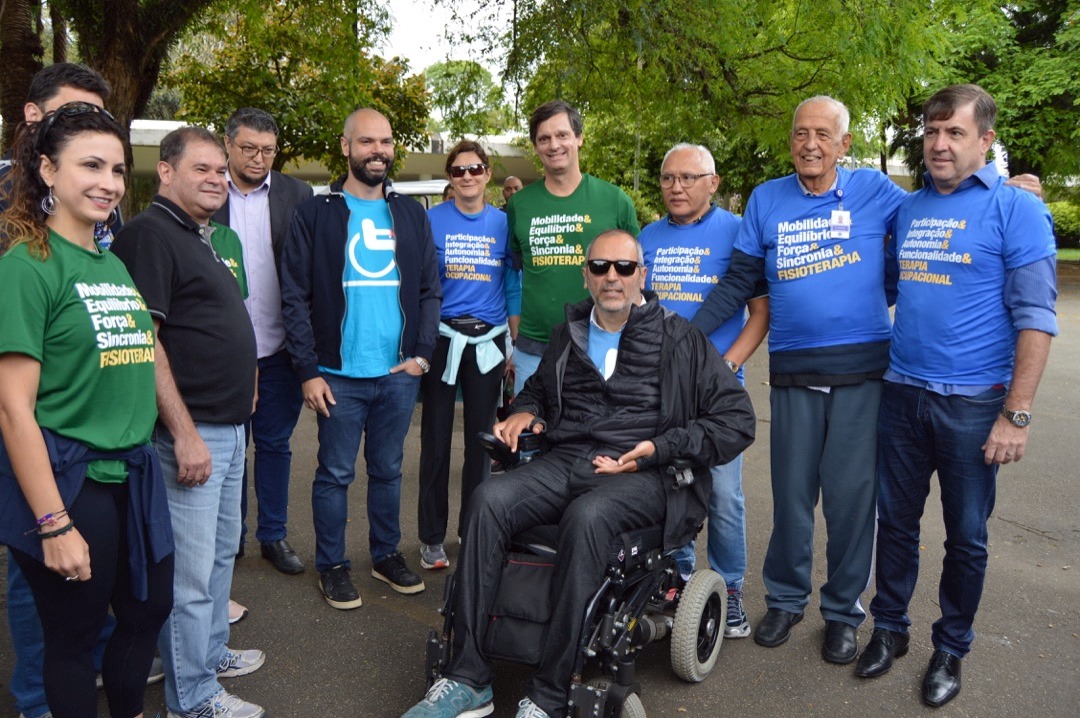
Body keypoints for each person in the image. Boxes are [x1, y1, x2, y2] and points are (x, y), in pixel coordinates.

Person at [401, 229, 756, 718]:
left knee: (588, 517)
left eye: (624, 268)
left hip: (645, 473)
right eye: (602, 267)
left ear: (641, 277)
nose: (613, 277)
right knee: (488, 499)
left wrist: (658, 447)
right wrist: (524, 411)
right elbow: (540, 395)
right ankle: (468, 677)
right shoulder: (570, 334)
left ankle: (549, 691)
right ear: (586, 275)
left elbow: (736, 421)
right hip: (568, 460)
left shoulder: (680, 338)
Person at [854, 84, 1057, 708]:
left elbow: (1037, 318)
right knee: (896, 525)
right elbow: (890, 282)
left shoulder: (1017, 210)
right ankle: (890, 629)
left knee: (967, 536)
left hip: (974, 406)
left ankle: (952, 646)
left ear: (986, 140)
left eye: (955, 133)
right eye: (932, 132)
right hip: (902, 393)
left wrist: (1014, 416)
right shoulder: (909, 209)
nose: (939, 145)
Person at [690, 95, 909, 664]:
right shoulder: (767, 199)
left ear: (845, 144)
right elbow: (740, 280)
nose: (809, 144)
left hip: (863, 371)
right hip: (792, 370)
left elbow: (910, 246)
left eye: (821, 134)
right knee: (790, 498)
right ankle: (785, 601)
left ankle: (842, 612)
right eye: (799, 133)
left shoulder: (878, 193)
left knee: (850, 500)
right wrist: (688, 335)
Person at [0, 61, 168, 718]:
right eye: (90, 166)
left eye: (118, 169)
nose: (108, 183)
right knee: (70, 644)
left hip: (135, 471)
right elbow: (13, 410)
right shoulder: (27, 263)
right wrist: (53, 524)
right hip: (73, 480)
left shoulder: (113, 261)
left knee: (147, 610)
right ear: (47, 170)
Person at [111, 127, 265, 718]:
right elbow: (145, 341)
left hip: (226, 429)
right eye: (202, 168)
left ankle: (210, 654)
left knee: (221, 555)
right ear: (165, 172)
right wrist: (183, 433)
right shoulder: (150, 234)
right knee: (192, 577)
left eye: (221, 172)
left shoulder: (198, 237)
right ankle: (193, 697)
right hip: (192, 434)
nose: (217, 179)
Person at [281, 107, 441, 609]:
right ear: (346, 146)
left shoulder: (411, 213)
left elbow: (429, 289)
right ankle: (332, 564)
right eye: (367, 142)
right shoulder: (315, 211)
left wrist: (421, 355)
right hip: (337, 375)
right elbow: (294, 295)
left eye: (387, 142)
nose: (379, 151)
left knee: (389, 470)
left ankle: (385, 554)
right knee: (334, 473)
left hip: (397, 374)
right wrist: (307, 370)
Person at [639, 143, 769, 639]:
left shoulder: (737, 232)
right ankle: (678, 582)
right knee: (671, 487)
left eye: (689, 178)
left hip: (716, 395)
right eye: (669, 178)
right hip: (658, 389)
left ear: (712, 183)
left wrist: (726, 364)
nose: (677, 187)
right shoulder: (647, 236)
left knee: (725, 497)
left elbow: (760, 313)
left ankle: (729, 592)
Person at [211, 107, 313, 575]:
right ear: (228, 144)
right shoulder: (208, 190)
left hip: (279, 348)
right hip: (222, 352)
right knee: (229, 449)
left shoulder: (297, 193)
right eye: (249, 148)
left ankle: (272, 536)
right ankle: (228, 537)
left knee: (274, 445)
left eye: (268, 150)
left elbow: (311, 272)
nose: (258, 158)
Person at [417, 140, 521, 571]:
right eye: (458, 171)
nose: (467, 177)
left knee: (483, 444)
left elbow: (512, 284)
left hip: (490, 341)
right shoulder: (430, 220)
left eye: (474, 169)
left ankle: (472, 530)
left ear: (487, 174)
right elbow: (422, 285)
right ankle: (430, 537)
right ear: (450, 177)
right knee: (436, 441)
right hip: (443, 339)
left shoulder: (503, 223)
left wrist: (512, 346)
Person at [507, 100, 639, 394]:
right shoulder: (519, 204)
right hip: (533, 350)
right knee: (531, 436)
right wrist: (515, 329)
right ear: (536, 146)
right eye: (544, 138)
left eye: (562, 135)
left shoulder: (615, 201)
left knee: (595, 436)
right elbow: (512, 272)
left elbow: (638, 276)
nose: (554, 145)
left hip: (601, 344)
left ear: (579, 138)